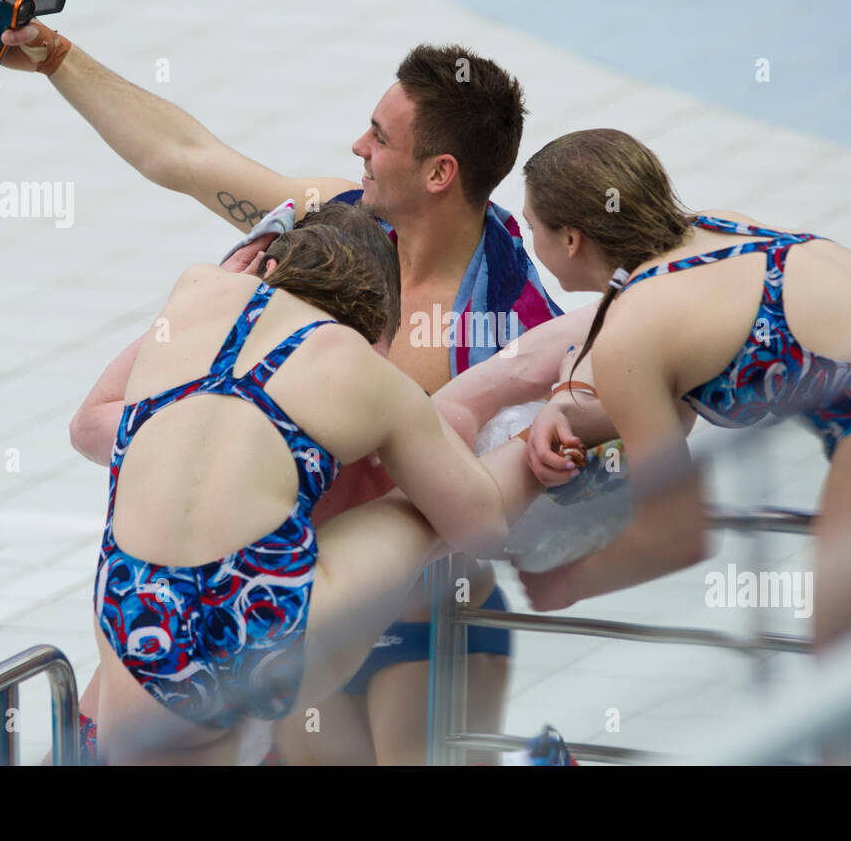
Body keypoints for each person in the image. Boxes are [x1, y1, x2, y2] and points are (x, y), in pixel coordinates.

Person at [0, 0, 565, 763]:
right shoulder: (334, 221)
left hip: (407, 622)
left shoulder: (509, 321)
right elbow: (183, 157)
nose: (357, 148)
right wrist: (49, 54)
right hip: (273, 595)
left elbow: (552, 507)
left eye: (378, 137)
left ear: (440, 173)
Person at [514, 129, 851, 645]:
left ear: (571, 239)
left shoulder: (628, 330)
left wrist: (567, 582)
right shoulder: (721, 227)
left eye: (532, 226)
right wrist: (577, 415)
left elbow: (677, 535)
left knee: (845, 696)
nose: (530, 239)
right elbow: (673, 401)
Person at [82, 201, 554, 764]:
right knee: (423, 516)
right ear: (379, 324)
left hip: (137, 614)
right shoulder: (366, 371)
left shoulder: (196, 289)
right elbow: (481, 527)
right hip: (258, 619)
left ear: (268, 264)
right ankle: (548, 437)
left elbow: (91, 420)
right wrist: (527, 440)